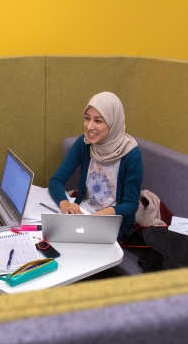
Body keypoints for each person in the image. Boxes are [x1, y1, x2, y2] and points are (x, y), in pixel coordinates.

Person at [48, 91, 143, 240]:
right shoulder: (84, 142)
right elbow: (55, 181)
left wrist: (102, 214)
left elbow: (131, 205)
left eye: (98, 121)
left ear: (113, 122)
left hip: (113, 221)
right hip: (84, 213)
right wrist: (65, 203)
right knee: (51, 238)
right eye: (87, 119)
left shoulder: (131, 154)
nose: (89, 126)